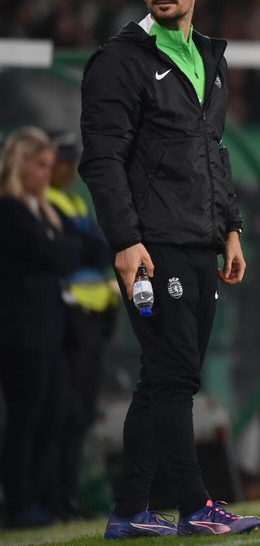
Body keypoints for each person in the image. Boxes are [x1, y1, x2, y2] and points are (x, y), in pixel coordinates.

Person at [79, 0, 260, 537]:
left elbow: (212, 152)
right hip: (153, 247)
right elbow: (102, 160)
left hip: (199, 239)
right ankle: (194, 505)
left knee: (161, 379)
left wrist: (230, 226)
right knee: (176, 378)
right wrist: (126, 241)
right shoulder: (119, 61)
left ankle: (130, 510)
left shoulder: (210, 57)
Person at [0, 127, 102, 529]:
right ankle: (21, 504)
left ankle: (45, 498)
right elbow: (56, 255)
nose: (47, 173)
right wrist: (68, 250)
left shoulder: (41, 209)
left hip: (50, 331)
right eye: (40, 165)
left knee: (59, 413)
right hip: (22, 333)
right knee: (27, 419)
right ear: (21, 164)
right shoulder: (10, 210)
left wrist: (66, 250)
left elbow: (87, 249)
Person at [46, 131, 119, 520]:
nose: (66, 168)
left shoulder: (72, 202)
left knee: (81, 414)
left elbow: (96, 248)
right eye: (60, 160)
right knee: (64, 413)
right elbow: (88, 248)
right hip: (68, 317)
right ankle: (54, 497)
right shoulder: (48, 203)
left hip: (92, 317)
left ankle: (67, 496)